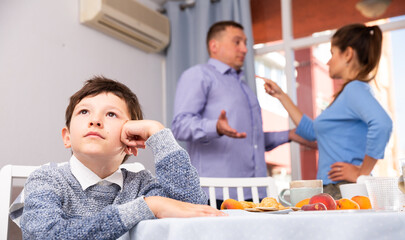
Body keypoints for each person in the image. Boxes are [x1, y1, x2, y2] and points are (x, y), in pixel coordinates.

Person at [19, 76, 224, 239]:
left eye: (111, 115)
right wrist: (148, 206)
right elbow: (43, 235)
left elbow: (192, 209)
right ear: (67, 137)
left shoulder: (140, 184)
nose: (95, 120)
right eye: (84, 112)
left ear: (131, 136)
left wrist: (157, 133)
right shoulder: (47, 179)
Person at [172, 20, 315, 207]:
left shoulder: (245, 88)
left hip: (254, 193)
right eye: (237, 42)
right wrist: (215, 127)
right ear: (214, 45)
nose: (245, 49)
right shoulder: (199, 75)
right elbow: (179, 125)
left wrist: (288, 135)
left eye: (245, 43)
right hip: (214, 194)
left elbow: (250, 141)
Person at [263, 23, 393, 199]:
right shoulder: (348, 94)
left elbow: (382, 123)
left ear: (347, 54)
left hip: (344, 189)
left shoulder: (354, 89)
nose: (327, 61)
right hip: (337, 187)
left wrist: (362, 173)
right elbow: (311, 132)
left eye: (332, 54)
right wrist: (281, 95)